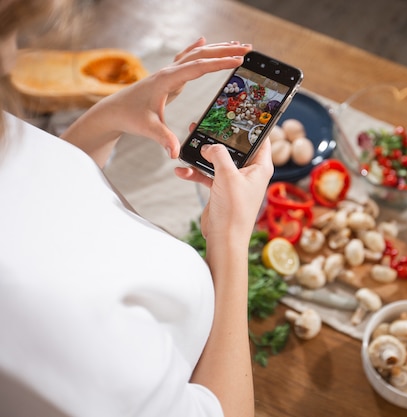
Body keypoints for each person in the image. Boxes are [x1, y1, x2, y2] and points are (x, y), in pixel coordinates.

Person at [0, 1, 274, 416]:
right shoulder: (51, 332)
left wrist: (107, 118)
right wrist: (231, 241)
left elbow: (44, 199)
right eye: (9, 35)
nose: (14, 57)